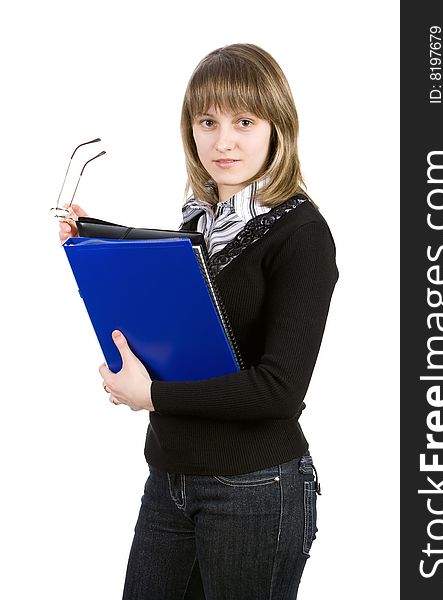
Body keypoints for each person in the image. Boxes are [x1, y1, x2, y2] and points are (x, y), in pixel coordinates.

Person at [59, 43, 339, 600]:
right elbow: (186, 327)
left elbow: (279, 391)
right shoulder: (198, 223)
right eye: (206, 122)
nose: (223, 141)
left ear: (277, 127)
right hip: (170, 476)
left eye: (243, 121)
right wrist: (100, 242)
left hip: (255, 486)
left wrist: (154, 395)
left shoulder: (302, 235)